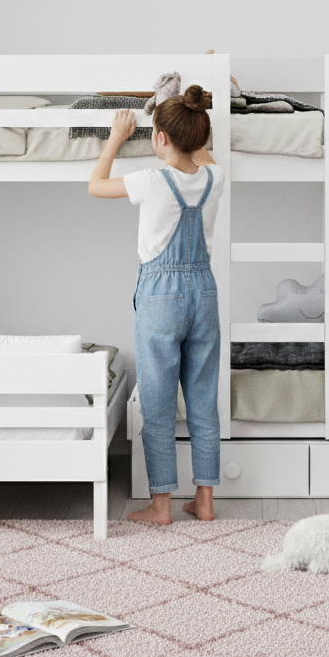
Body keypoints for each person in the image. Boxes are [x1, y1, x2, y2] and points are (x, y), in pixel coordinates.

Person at [88, 85, 224, 524]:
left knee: (158, 403)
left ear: (160, 137)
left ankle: (161, 505)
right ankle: (205, 501)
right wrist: (186, 116)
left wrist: (115, 137)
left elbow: (95, 185)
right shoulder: (216, 178)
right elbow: (199, 153)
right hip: (204, 292)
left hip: (161, 295)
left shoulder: (150, 180)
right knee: (203, 400)